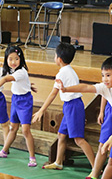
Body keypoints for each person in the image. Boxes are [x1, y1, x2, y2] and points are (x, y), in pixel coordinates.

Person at [32, 42, 95, 171]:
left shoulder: (62, 73)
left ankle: (96, 166)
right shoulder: (69, 70)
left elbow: (52, 94)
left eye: (55, 55)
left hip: (73, 106)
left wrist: (41, 111)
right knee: (61, 135)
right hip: (70, 106)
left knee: (79, 140)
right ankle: (58, 162)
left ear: (59, 59)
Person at [54, 56, 112, 178]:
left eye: (108, 75)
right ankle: (95, 174)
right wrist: (66, 89)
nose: (105, 79)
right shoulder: (105, 88)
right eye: (103, 75)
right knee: (103, 147)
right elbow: (85, 87)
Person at [0, 46, 37, 167]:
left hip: (25, 102)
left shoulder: (20, 72)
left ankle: (32, 158)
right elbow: (5, 69)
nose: (13, 62)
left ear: (21, 59)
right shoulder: (13, 69)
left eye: (16, 59)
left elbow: (6, 78)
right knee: (13, 128)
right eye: (10, 59)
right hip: (15, 100)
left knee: (25, 130)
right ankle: (4, 151)